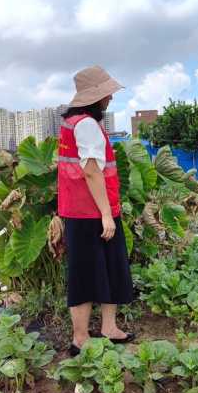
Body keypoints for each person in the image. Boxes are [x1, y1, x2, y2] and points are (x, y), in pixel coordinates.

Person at [58, 65, 135, 356]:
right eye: (107, 94)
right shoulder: (87, 125)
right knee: (86, 273)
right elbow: (91, 170)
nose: (110, 99)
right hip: (91, 213)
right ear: (95, 97)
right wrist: (106, 213)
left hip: (87, 211)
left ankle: (109, 328)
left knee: (109, 267)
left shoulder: (75, 122)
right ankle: (80, 338)